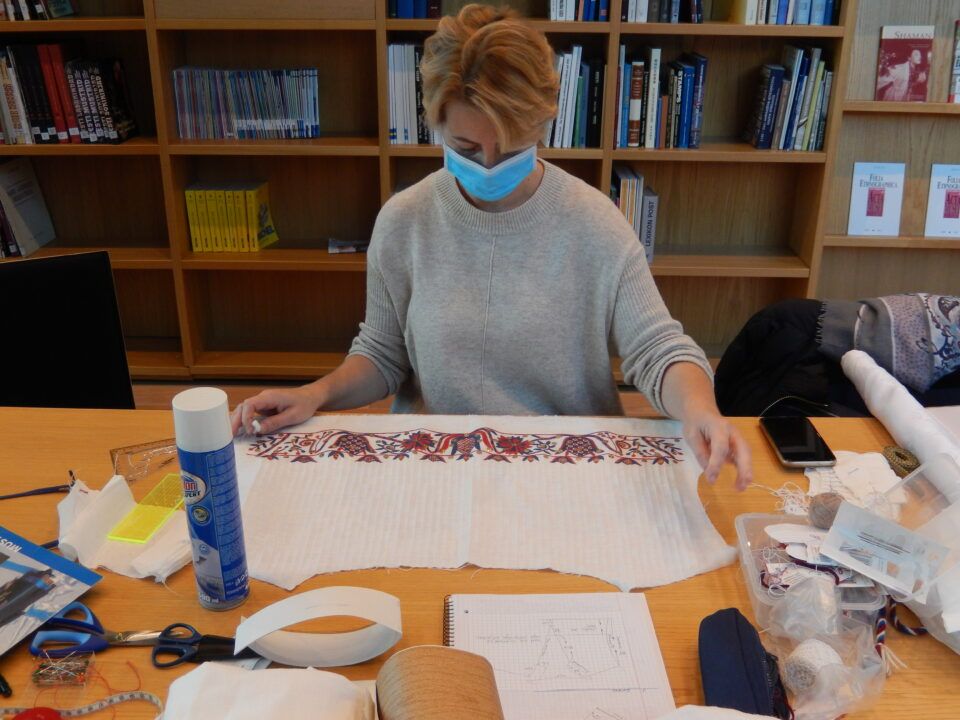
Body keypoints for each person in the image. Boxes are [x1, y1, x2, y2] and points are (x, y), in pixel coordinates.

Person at [232, 4, 752, 489]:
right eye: (465, 146)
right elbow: (383, 354)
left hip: (564, 469)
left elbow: (659, 350)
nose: (486, 164)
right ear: (436, 123)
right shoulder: (405, 221)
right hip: (434, 463)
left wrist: (700, 409)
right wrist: (315, 394)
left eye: (509, 148)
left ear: (543, 124)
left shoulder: (595, 223)